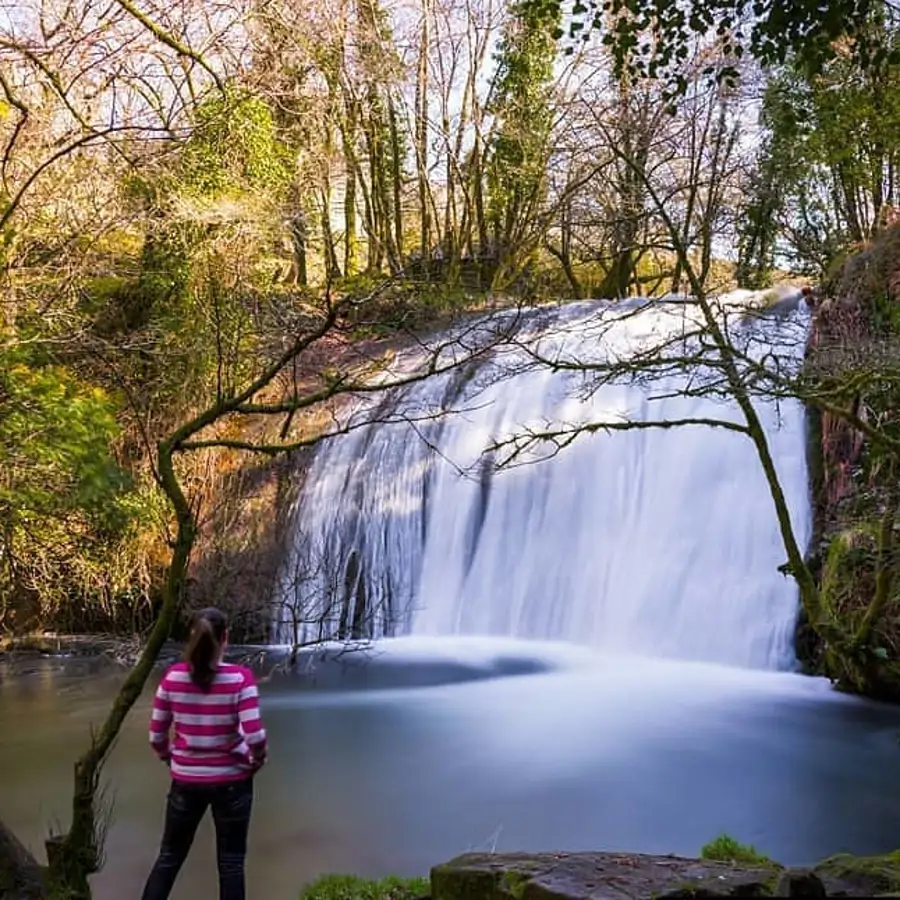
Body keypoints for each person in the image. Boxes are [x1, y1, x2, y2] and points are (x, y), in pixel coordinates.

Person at [141, 607, 267, 900]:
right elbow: (256, 735)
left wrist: (170, 758)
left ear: (191, 637)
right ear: (226, 638)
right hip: (233, 781)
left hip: (186, 781)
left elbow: (156, 735)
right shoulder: (241, 679)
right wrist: (256, 759)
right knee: (231, 863)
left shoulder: (172, 678)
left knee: (169, 858)